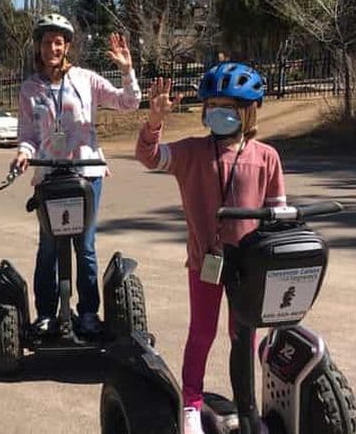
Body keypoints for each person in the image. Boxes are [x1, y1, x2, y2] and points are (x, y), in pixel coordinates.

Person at [134, 62, 286, 434]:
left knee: (244, 336)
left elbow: (278, 215)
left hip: (250, 267)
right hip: (207, 262)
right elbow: (150, 157)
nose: (220, 112)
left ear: (249, 110)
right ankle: (192, 402)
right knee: (202, 333)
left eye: (230, 105)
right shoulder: (191, 153)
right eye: (213, 105)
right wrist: (154, 122)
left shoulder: (266, 157)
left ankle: (248, 407)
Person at [10, 13, 142, 336]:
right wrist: (24, 154)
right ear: (39, 47)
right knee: (49, 248)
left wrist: (127, 71)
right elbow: (27, 134)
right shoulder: (30, 88)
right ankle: (46, 313)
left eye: (58, 42)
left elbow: (129, 102)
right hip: (49, 177)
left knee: (85, 246)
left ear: (67, 46)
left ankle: (87, 313)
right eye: (46, 42)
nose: (52, 48)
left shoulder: (85, 79)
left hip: (87, 174)